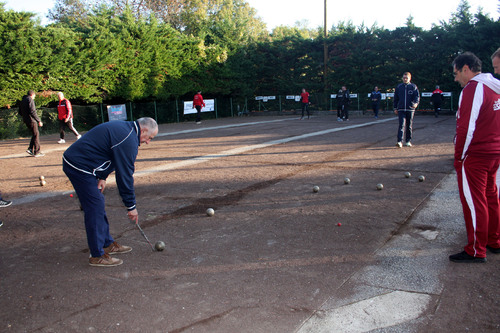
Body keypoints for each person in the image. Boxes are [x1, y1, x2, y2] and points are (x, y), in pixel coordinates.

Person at [62, 117, 158, 267]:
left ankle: (107, 243)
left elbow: (110, 153)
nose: (148, 142)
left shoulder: (127, 130)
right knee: (94, 206)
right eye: (149, 138)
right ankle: (97, 255)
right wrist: (131, 206)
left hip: (86, 164)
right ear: (144, 130)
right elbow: (124, 175)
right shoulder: (129, 140)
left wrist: (102, 176)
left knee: (97, 203)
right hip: (78, 165)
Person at [449, 52, 500, 263]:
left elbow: (466, 128)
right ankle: (494, 240)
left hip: (476, 155)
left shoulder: (473, 88)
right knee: (491, 197)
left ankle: (476, 250)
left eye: (456, 73)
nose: (455, 79)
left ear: (466, 69)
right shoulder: (494, 86)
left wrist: (459, 157)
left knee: (473, 201)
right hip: (494, 152)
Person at [393, 72, 419, 148]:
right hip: (401, 109)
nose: (405, 79)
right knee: (401, 125)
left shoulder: (413, 87)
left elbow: (416, 97)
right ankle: (399, 141)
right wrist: (395, 108)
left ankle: (408, 141)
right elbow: (396, 98)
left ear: (409, 78)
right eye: (404, 78)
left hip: (410, 109)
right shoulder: (399, 87)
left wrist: (415, 103)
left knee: (409, 126)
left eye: (406, 78)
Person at [19, 90, 44, 157]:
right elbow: (32, 111)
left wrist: (25, 117)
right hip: (31, 120)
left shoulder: (22, 100)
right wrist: (39, 120)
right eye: (34, 95)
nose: (35, 97)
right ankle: (37, 151)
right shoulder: (30, 100)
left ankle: (30, 149)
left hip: (26, 120)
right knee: (36, 134)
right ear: (32, 95)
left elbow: (20, 112)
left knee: (34, 134)